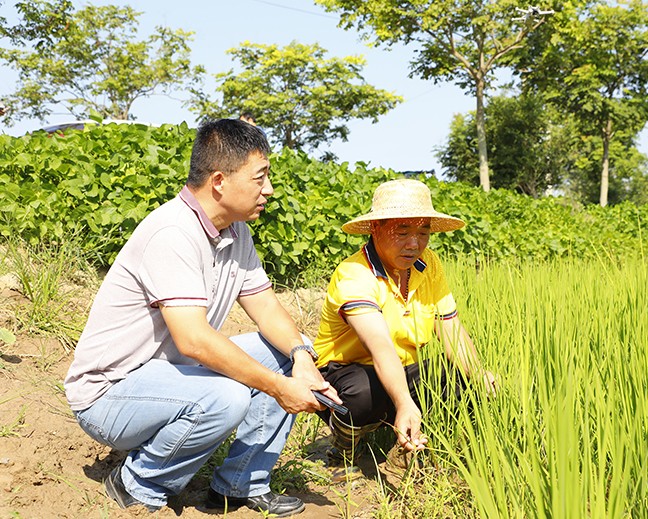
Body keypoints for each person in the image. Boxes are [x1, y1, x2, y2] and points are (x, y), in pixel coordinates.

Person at [63, 119, 339, 517]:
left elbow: (265, 306)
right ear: (219, 181)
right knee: (226, 397)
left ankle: (239, 485)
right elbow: (193, 339)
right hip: (111, 395)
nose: (270, 190)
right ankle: (137, 484)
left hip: (168, 377)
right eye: (260, 177)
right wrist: (279, 388)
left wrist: (300, 359)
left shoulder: (236, 230)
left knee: (284, 350)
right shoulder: (172, 232)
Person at [312, 178, 497, 475]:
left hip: (401, 367)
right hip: (345, 373)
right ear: (376, 228)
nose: (414, 243)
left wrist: (480, 374)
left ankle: (416, 444)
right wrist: (404, 402)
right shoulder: (355, 274)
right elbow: (380, 346)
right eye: (403, 231)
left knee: (463, 376)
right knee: (363, 393)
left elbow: (451, 329)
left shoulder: (429, 264)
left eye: (423, 232)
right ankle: (343, 450)